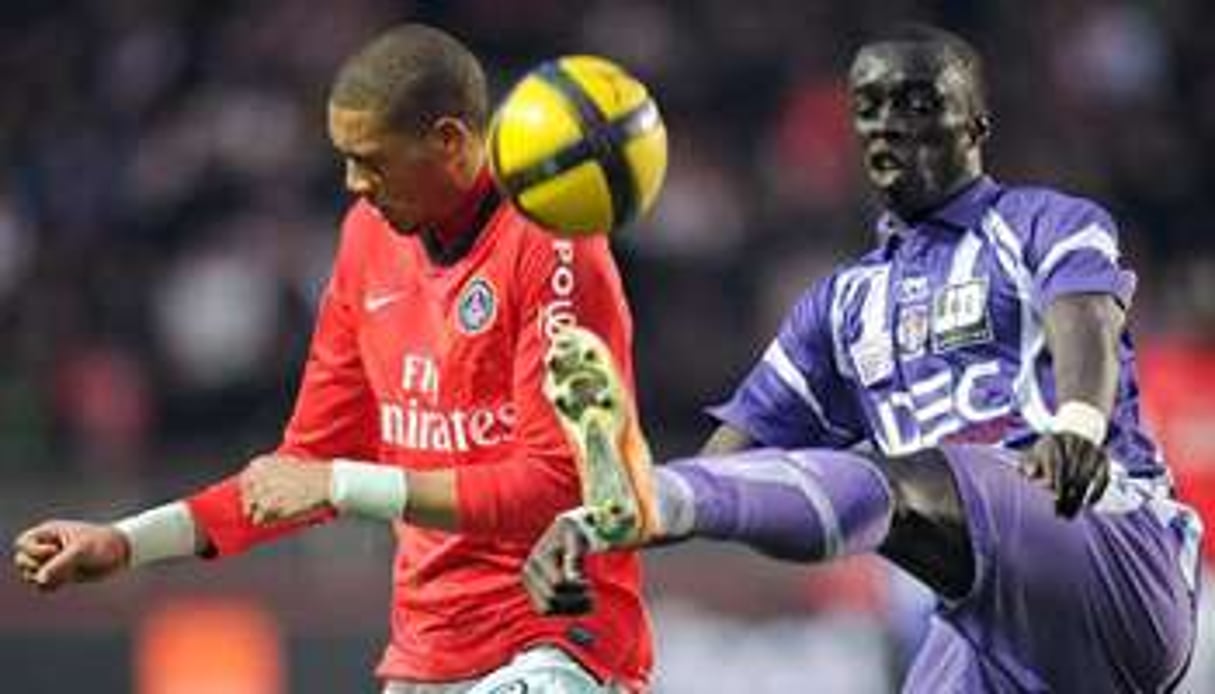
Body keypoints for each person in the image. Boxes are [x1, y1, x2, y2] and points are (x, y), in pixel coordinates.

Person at [523, 24, 1202, 693]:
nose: (885, 125)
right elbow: (728, 469)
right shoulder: (838, 306)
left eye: (914, 103)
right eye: (868, 107)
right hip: (982, 615)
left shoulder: (1043, 221)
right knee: (884, 496)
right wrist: (604, 523)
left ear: (974, 124)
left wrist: (1079, 423)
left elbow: (1083, 320)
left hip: (1106, 543)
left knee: (894, 481)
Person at [11, 23, 651, 694]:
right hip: (426, 658)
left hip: (553, 645)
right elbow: (299, 475)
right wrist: (126, 544)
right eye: (345, 158)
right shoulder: (366, 241)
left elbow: (564, 486)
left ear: (448, 141)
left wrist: (343, 484)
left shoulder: (550, 243)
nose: (353, 183)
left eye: (371, 160)